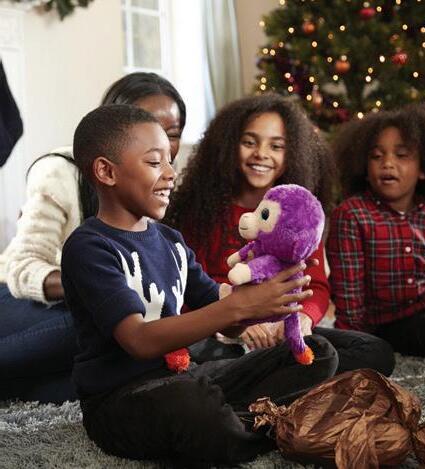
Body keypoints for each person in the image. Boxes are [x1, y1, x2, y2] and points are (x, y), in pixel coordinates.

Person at [62, 104, 339, 466]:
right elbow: (138, 340)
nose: (170, 174)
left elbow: (227, 320)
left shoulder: (171, 240)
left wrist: (260, 301)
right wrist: (236, 307)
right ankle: (266, 425)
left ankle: (242, 422)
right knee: (194, 405)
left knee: (318, 352)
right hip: (119, 399)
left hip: (186, 375)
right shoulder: (89, 247)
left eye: (170, 161)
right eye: (154, 162)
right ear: (106, 171)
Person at [164, 93, 395, 375]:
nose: (261, 153)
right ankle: (280, 376)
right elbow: (189, 286)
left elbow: (317, 286)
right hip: (223, 331)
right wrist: (240, 320)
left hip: (284, 329)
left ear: (291, 154)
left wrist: (304, 318)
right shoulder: (201, 209)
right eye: (249, 142)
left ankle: (275, 375)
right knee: (205, 357)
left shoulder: (300, 213)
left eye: (276, 146)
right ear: (228, 146)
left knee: (374, 352)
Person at [0, 72, 186, 403]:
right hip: (20, 299)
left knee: (117, 367)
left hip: (95, 313)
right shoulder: (60, 172)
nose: (158, 141)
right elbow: (20, 267)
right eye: (143, 127)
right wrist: (99, 286)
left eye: (171, 134)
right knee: (107, 325)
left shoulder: (161, 184)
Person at [327, 103, 425, 360]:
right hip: (386, 321)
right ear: (364, 167)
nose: (388, 163)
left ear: (424, 169)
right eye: (376, 156)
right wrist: (352, 342)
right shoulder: (352, 215)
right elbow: (349, 297)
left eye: (402, 155)